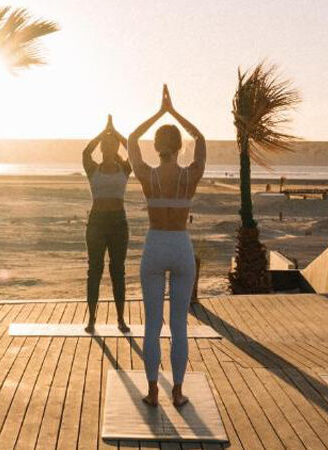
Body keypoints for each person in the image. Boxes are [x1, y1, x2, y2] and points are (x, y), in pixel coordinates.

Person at [127, 85, 206, 408]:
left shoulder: (147, 175)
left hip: (156, 243)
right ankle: (177, 390)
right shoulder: (191, 175)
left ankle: (151, 391)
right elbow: (200, 140)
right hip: (181, 246)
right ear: (178, 147)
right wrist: (174, 112)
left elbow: (131, 139)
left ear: (158, 147)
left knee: (152, 324)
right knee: (178, 325)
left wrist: (159, 113)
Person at [82, 115, 132, 334]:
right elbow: (85, 152)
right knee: (95, 270)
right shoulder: (93, 169)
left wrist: (115, 131)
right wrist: (104, 132)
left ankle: (121, 319)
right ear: (102, 148)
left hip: (118, 223)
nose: (109, 149)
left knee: (117, 271)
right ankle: (91, 319)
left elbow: (132, 148)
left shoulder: (125, 169)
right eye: (106, 146)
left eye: (112, 145)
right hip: (97, 223)